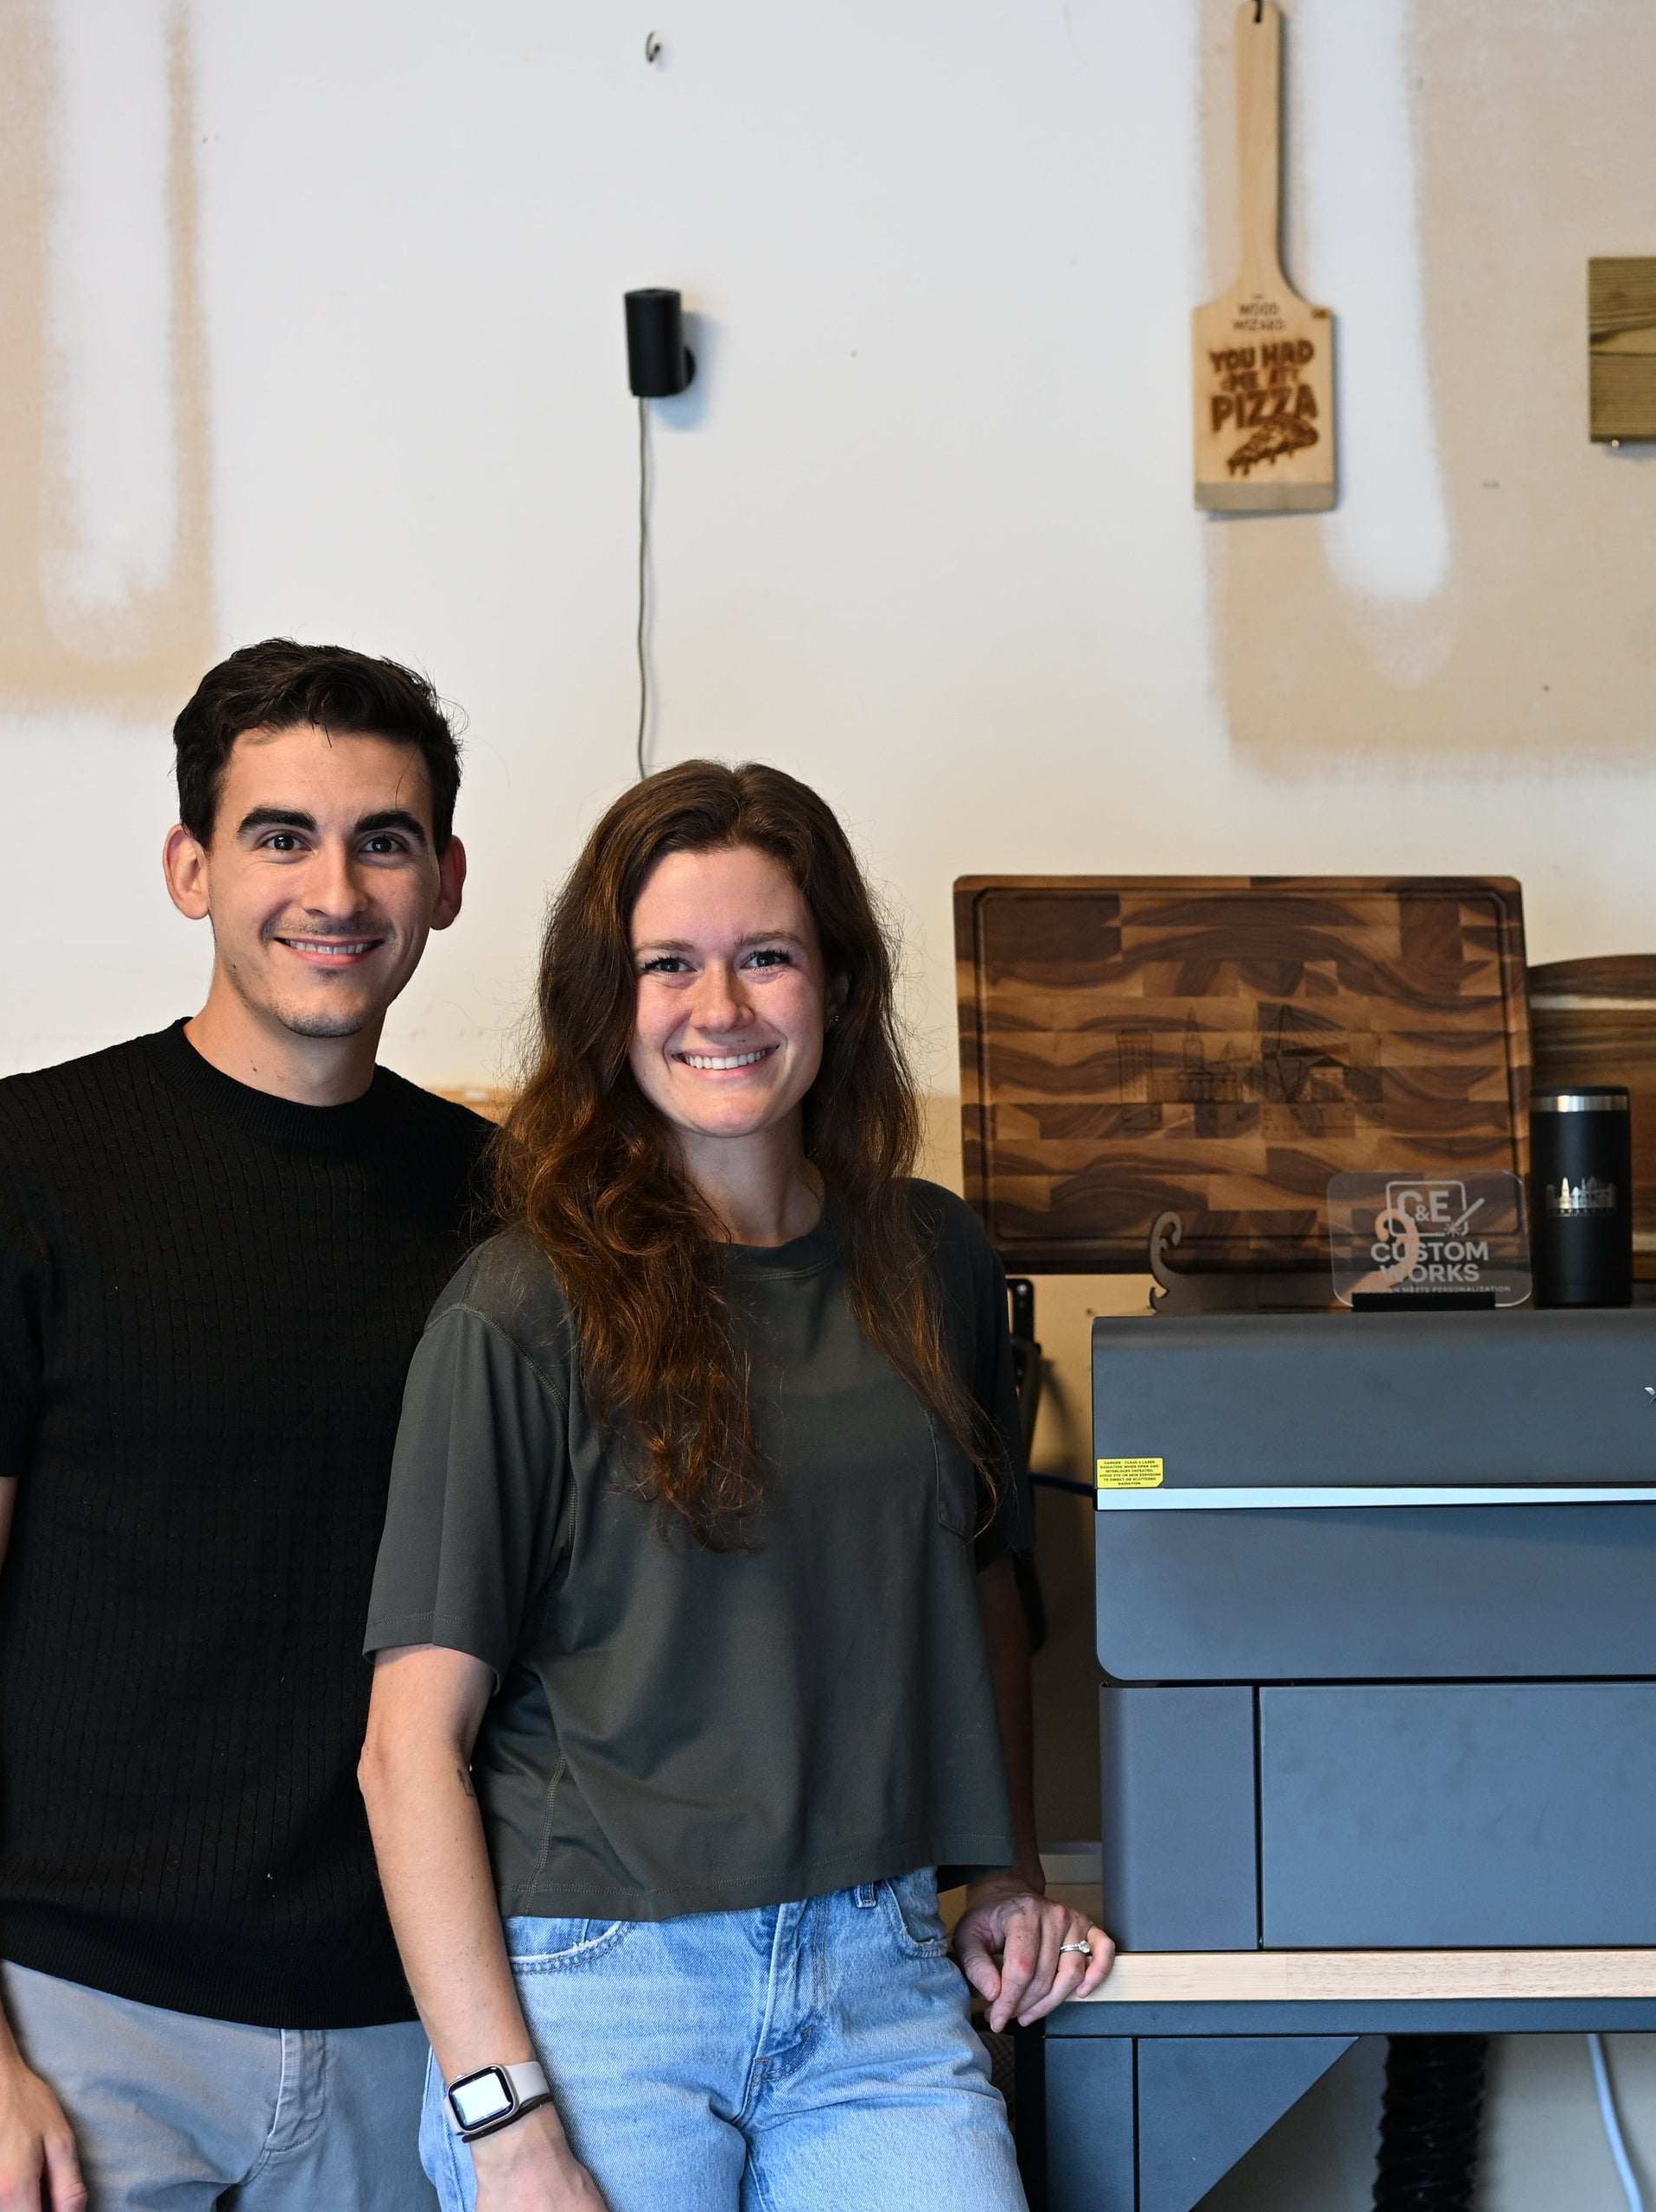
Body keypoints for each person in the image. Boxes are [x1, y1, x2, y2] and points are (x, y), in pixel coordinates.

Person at [357, 760, 1111, 2212]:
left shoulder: (933, 1262)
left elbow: (979, 1593)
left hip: (879, 1979)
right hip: (596, 1997)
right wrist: (505, 2124)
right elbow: (409, 1754)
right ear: (608, 1001)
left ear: (834, 980)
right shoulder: (521, 1309)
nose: (722, 1008)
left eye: (765, 957)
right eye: (669, 966)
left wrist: (1008, 1877)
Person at [0, 641, 487, 2212]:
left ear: (449, 880)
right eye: (281, 835)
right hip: (84, 2036)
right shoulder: (20, 1167)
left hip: (408, 2029)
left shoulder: (512, 1211)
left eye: (382, 839)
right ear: (190, 868)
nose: (332, 888)